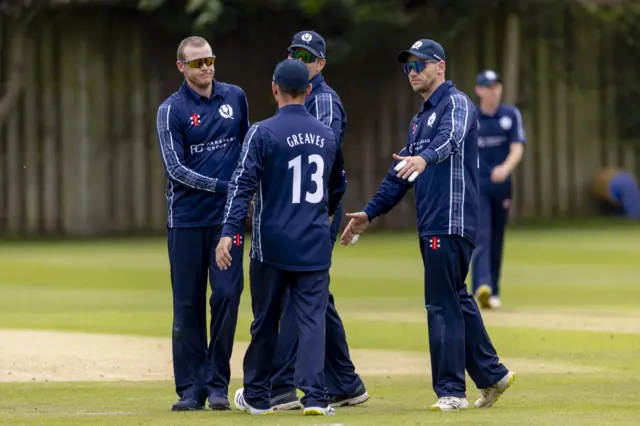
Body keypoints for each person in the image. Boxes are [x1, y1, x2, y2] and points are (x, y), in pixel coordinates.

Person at [340, 39, 515, 412]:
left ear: (441, 67)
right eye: (408, 67)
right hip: (433, 221)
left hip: (452, 220)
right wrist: (369, 213)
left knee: (440, 304)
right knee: (454, 296)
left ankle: (451, 391)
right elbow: (400, 174)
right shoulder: (419, 119)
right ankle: (492, 373)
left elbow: (449, 140)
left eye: (420, 65)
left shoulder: (457, 104)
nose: (413, 72)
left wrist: (424, 157)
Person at [216, 58, 346, 416]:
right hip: (314, 243)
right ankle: (316, 397)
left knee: (266, 319)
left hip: (271, 244)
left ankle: (258, 395)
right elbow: (338, 186)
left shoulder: (262, 131)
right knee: (312, 319)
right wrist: (326, 211)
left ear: (274, 89)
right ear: (307, 91)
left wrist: (228, 231)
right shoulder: (327, 134)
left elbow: (242, 185)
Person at [268, 30, 368, 411]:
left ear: (321, 63)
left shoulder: (324, 101)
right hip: (301, 210)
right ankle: (345, 382)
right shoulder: (299, 97)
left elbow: (325, 161)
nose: (300, 58)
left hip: (314, 210)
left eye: (308, 55)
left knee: (300, 293)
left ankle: (281, 386)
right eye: (294, 52)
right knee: (315, 296)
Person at [155, 36, 250, 411]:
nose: (206, 67)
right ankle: (190, 389)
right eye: (196, 63)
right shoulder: (171, 110)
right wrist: (225, 187)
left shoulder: (235, 97)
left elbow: (247, 147)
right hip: (187, 222)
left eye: (209, 60)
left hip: (227, 223)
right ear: (181, 67)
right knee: (188, 306)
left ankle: (217, 384)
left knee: (227, 296)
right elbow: (176, 169)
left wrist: (245, 192)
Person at [471, 70, 526, 310]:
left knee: (497, 237)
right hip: (477, 185)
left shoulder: (510, 115)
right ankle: (482, 285)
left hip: (502, 186)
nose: (493, 91)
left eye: (496, 86)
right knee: (481, 234)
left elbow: (517, 147)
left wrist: (506, 168)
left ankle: (493, 290)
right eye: (488, 87)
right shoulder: (472, 116)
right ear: (479, 90)